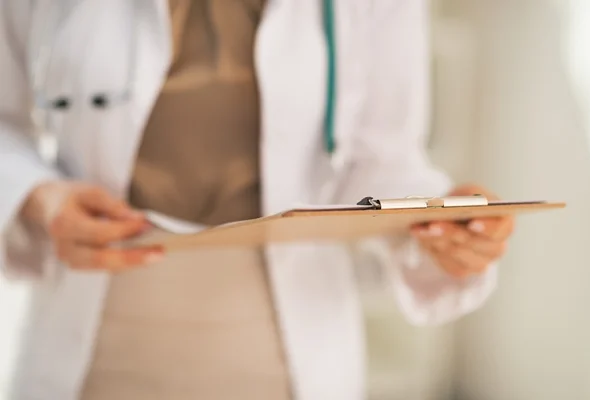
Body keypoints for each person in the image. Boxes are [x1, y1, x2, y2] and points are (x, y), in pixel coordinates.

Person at [0, 1, 514, 399]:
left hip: (282, 360)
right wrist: (39, 198)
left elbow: (381, 158)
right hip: (90, 358)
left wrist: (440, 222)